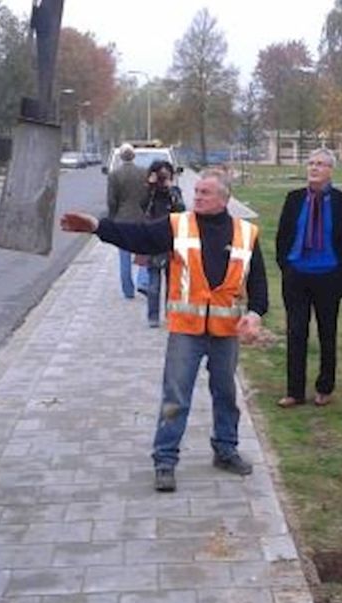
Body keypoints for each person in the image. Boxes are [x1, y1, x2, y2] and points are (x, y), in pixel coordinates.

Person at [61, 170, 268, 493]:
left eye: (206, 192)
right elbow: (137, 236)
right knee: (176, 396)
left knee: (226, 395)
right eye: (197, 191)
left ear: (224, 199)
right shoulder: (177, 225)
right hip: (187, 331)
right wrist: (98, 226)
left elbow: (259, 284)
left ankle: (226, 450)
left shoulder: (246, 234)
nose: (197, 196)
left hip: (226, 332)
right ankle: (165, 460)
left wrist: (254, 315)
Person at [274, 148, 342, 408]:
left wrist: (341, 271)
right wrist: (287, 266)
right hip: (297, 274)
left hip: (328, 275)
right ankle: (294, 391)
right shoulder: (294, 198)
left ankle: (325, 387)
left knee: (327, 332)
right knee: (296, 331)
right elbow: (283, 237)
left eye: (320, 164)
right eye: (310, 163)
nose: (314, 168)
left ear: (331, 170)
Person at [138, 159, 185, 327]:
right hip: (153, 239)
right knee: (154, 283)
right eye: (161, 175)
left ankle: (170, 314)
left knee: (172, 282)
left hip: (172, 240)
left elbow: (181, 210)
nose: (163, 179)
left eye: (167, 175)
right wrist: (150, 188)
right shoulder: (148, 192)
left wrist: (171, 189)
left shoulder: (174, 191)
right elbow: (143, 207)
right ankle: (153, 316)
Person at [107, 143, 149, 299]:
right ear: (134, 156)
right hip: (140, 218)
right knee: (143, 252)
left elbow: (112, 200)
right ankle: (143, 281)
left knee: (124, 256)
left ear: (120, 157)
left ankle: (128, 290)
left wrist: (112, 217)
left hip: (122, 219)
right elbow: (147, 196)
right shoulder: (143, 173)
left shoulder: (114, 175)